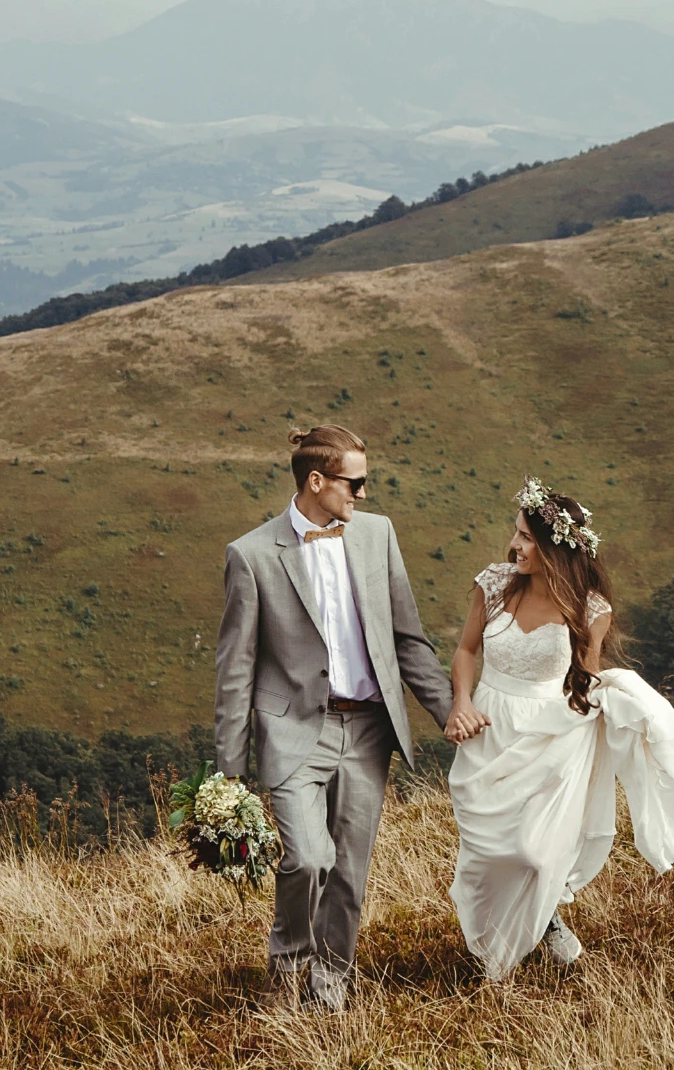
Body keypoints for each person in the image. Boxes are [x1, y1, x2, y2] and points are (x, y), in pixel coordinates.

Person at [444, 476, 674, 981]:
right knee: (488, 851)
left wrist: (619, 707)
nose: (514, 545)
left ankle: (544, 914)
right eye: (516, 533)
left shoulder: (588, 608)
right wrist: (461, 703)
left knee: (535, 850)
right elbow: (467, 651)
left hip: (553, 734)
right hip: (490, 725)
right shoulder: (492, 585)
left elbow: (586, 674)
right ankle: (494, 935)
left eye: (527, 538)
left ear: (556, 548)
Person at [214, 424, 454, 1011]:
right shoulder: (250, 555)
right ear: (316, 482)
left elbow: (408, 639)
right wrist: (228, 772)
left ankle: (331, 988)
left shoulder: (377, 535)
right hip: (294, 729)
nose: (364, 495)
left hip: (369, 730)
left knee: (349, 869)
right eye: (356, 482)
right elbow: (235, 670)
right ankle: (288, 972)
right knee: (308, 858)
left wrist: (451, 713)